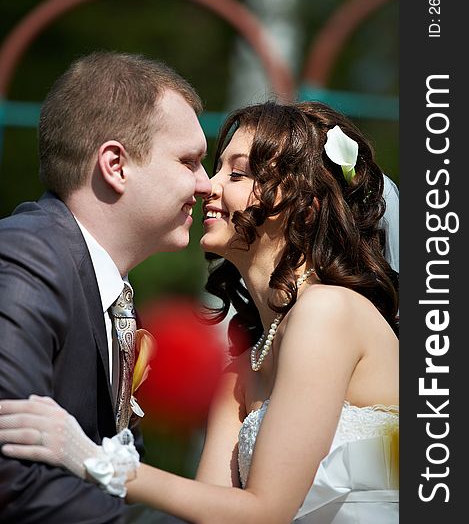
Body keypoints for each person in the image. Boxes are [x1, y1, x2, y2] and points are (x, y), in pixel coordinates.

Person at [0, 101, 399, 523]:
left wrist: (94, 459)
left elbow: (267, 511)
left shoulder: (328, 311)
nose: (207, 185)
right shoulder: (242, 370)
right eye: (215, 168)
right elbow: (213, 513)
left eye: (238, 174)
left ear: (303, 205)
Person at [0, 51, 211, 523]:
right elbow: (9, 478)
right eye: (190, 161)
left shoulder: (108, 287)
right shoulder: (25, 261)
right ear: (115, 164)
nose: (207, 184)